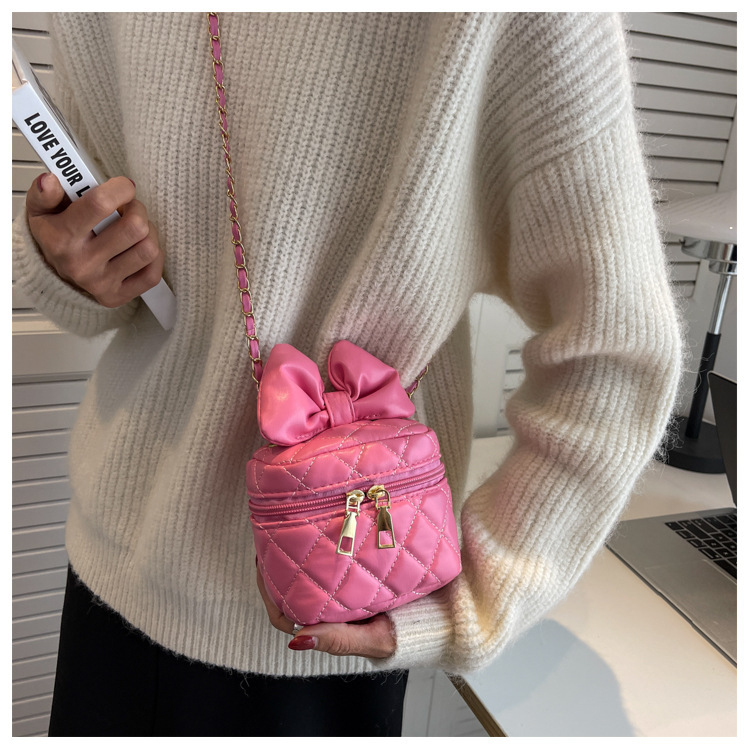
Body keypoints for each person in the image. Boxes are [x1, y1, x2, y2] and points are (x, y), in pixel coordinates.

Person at [13, 12, 682, 737]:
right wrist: (71, 263)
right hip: (114, 566)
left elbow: (618, 350)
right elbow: (106, 260)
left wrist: (482, 594)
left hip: (337, 607)